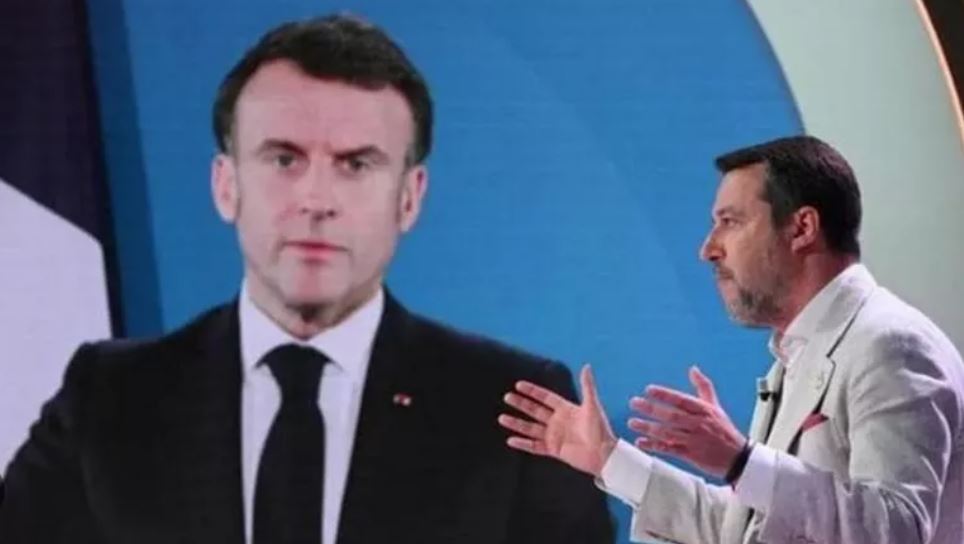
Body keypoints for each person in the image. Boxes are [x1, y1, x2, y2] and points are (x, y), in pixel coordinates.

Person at [0, 14, 614, 544]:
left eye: (356, 164)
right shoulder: (109, 398)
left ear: (409, 197)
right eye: (284, 158)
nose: (316, 199)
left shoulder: (513, 409)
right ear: (226, 184)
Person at [500, 135, 964, 544]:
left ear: (802, 228)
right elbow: (745, 530)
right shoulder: (800, 354)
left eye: (731, 221)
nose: (708, 248)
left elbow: (897, 530)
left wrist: (741, 461)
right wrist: (611, 460)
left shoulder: (890, 345)